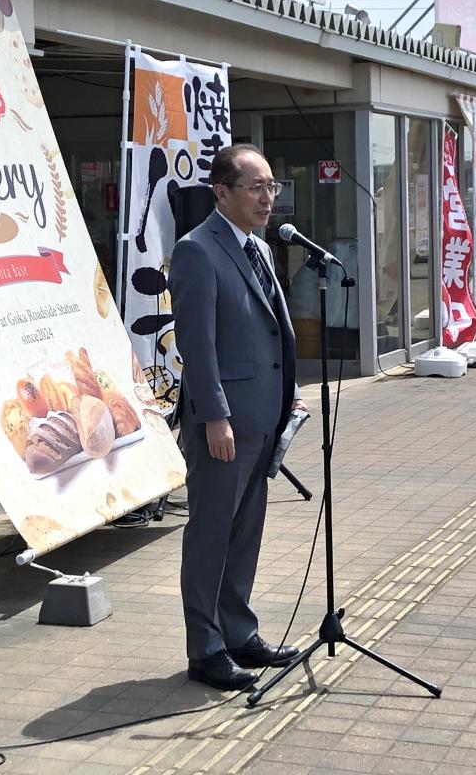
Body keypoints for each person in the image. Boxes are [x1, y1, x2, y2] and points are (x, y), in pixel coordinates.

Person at [168, 144, 307, 691]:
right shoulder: (197, 251)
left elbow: (270, 333)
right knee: (210, 534)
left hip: (264, 416)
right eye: (256, 187)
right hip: (223, 425)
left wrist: (288, 394)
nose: (268, 197)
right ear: (222, 192)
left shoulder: (261, 249)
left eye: (272, 186)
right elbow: (197, 348)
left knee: (246, 531)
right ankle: (205, 649)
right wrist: (215, 417)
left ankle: (237, 631)